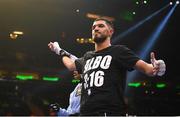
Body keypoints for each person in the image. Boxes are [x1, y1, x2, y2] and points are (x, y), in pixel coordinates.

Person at [48, 18, 166, 116]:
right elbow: (70, 65)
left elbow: (148, 69)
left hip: (109, 112)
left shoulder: (119, 51)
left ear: (110, 31)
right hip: (85, 114)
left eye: (100, 26)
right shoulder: (87, 56)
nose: (96, 28)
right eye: (93, 27)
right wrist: (59, 51)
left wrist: (157, 67)